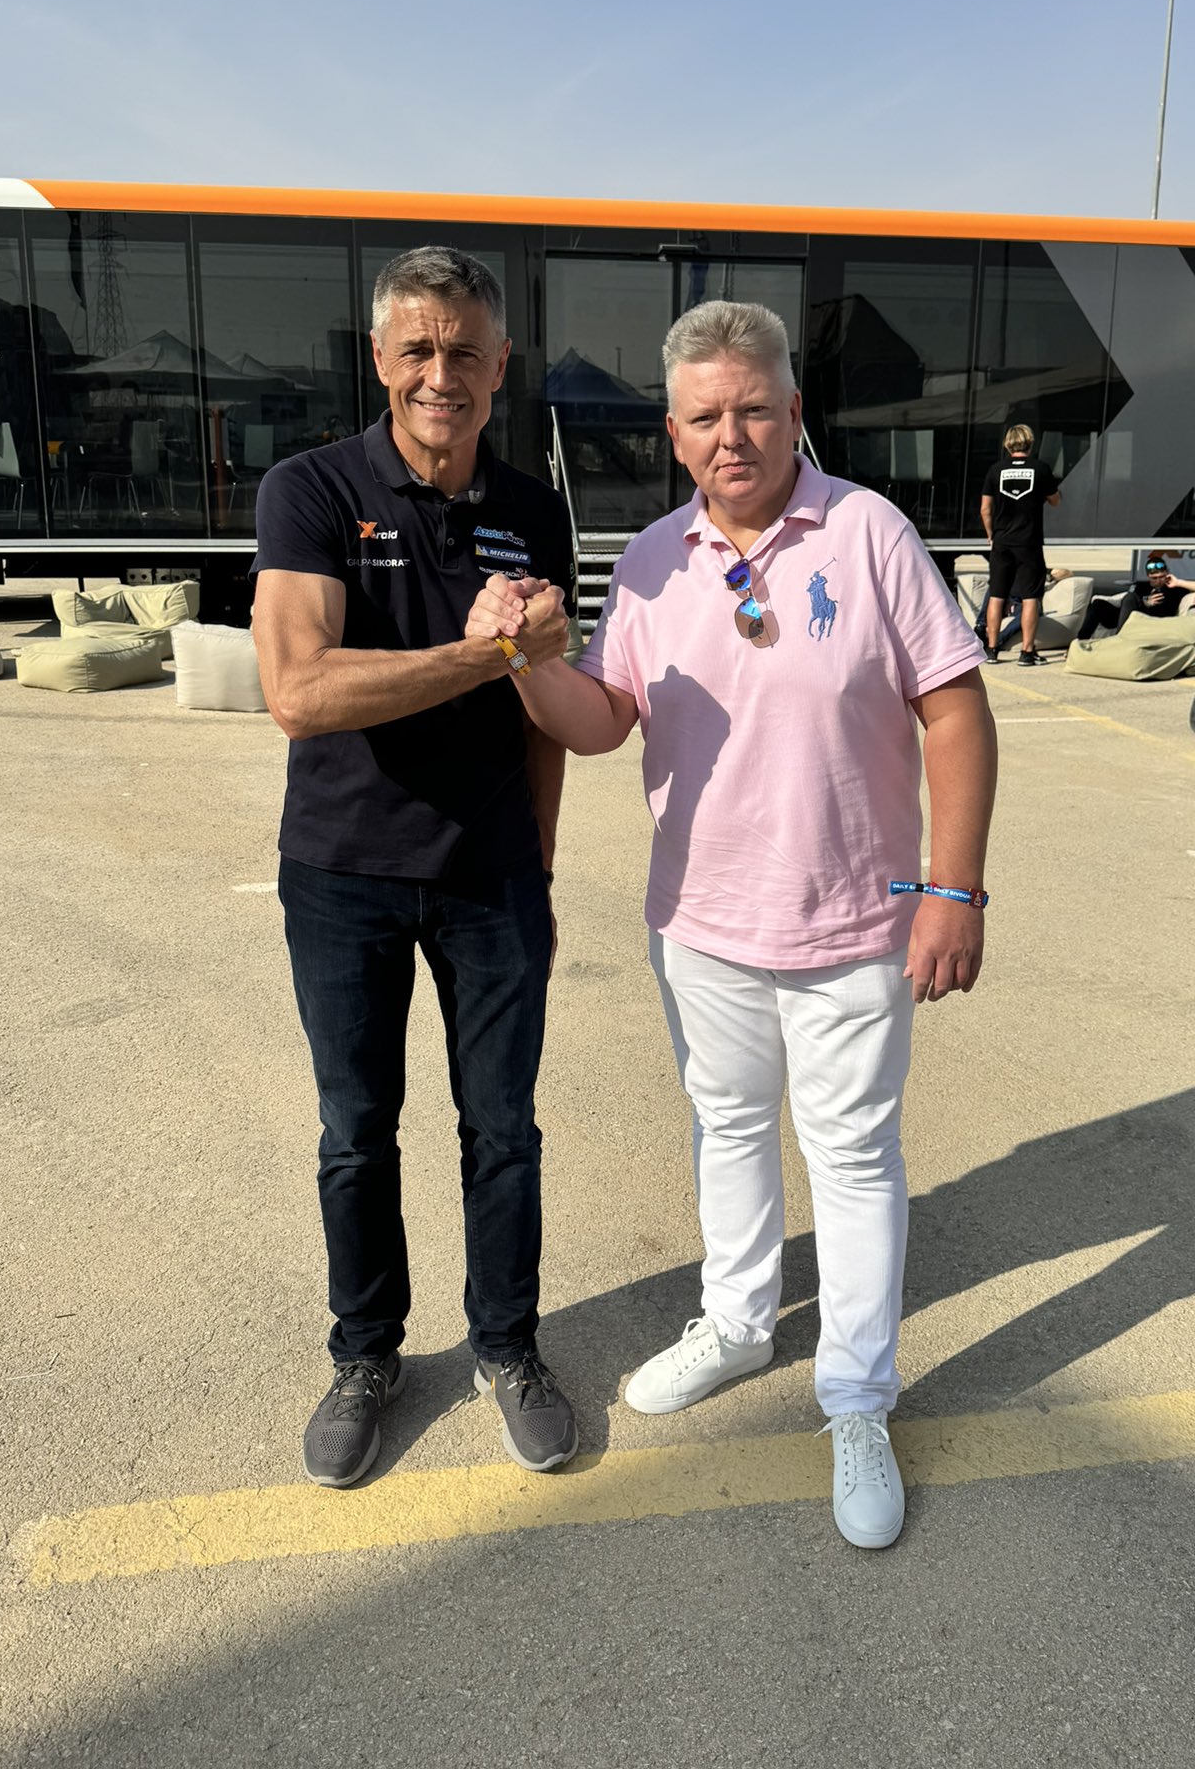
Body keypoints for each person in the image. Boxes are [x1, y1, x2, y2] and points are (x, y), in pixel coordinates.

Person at [465, 300, 997, 1551]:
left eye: (755, 408)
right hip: (703, 926)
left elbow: (956, 710)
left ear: (793, 410)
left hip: (856, 924)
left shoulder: (868, 533)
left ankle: (857, 1398)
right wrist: (521, 661)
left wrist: (954, 887)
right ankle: (741, 1320)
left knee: (853, 1156)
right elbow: (604, 719)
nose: (732, 435)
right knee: (729, 1129)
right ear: (673, 432)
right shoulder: (653, 559)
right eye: (705, 416)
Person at [251, 246, 580, 1488]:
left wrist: (541, 859)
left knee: (504, 1128)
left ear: (502, 365)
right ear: (382, 358)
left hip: (493, 874)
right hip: (344, 871)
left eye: (466, 351)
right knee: (356, 1129)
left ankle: (508, 1345)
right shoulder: (312, 490)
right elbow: (301, 691)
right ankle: (366, 1355)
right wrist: (482, 654)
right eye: (419, 349)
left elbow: (545, 701)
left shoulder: (535, 509)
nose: (443, 373)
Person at [979, 424, 1060, 665]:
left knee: (997, 595)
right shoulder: (1040, 469)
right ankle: (1027, 652)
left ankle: (992, 649)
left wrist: (991, 534)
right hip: (1029, 542)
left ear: (1007, 444)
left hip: (1002, 541)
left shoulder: (995, 470)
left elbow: (985, 509)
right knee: (1030, 597)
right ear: (1031, 444)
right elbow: (1055, 500)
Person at [1076, 554, 1194, 640]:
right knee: (1098, 604)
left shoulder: (1176, 589)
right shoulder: (1142, 587)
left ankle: (1119, 639)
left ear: (1167, 573)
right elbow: (1132, 604)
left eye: (1162, 577)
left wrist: (1178, 583)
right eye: (1154, 578)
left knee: (1130, 597)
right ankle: (1080, 642)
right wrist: (1145, 603)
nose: (1158, 581)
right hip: (1130, 617)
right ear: (1148, 576)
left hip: (1151, 621)